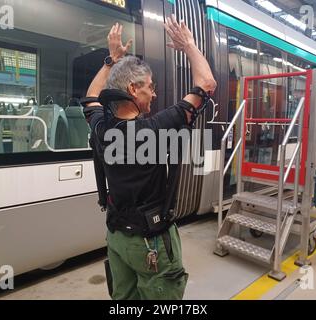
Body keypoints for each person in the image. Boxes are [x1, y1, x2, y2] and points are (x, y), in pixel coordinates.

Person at [83, 16, 216, 300]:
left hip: (116, 237)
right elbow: (206, 83)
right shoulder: (155, 129)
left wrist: (110, 61)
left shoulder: (101, 127)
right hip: (151, 240)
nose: (154, 94)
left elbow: (92, 95)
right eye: (150, 87)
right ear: (133, 89)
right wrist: (190, 45)